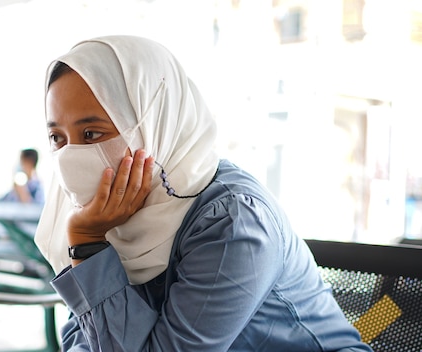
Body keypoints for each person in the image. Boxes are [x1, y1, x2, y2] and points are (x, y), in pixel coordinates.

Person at [35, 35, 372, 351]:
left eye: (92, 133)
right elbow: (85, 340)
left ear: (154, 122)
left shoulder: (234, 220)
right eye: (57, 139)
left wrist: (87, 243)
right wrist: (88, 240)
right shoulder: (107, 216)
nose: (70, 157)